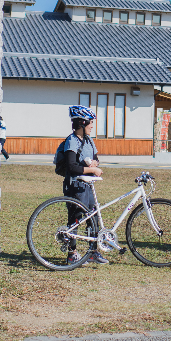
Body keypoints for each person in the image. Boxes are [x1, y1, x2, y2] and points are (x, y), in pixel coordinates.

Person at [63, 105, 108, 265]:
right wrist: (91, 168)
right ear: (82, 123)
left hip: (88, 186)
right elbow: (71, 166)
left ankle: (92, 251)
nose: (92, 125)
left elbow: (95, 157)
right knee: (76, 218)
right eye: (90, 122)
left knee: (93, 217)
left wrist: (95, 163)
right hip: (75, 185)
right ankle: (72, 254)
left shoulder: (89, 140)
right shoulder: (72, 141)